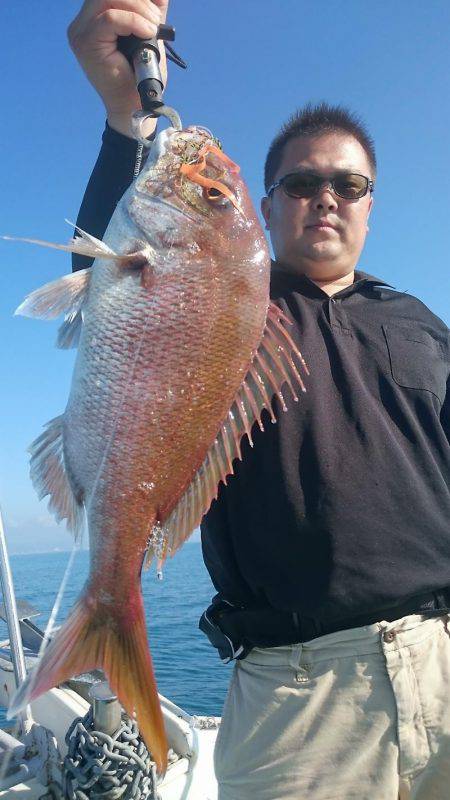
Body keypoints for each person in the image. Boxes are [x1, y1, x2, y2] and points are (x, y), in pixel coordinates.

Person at [68, 2, 450, 798]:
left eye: (349, 184)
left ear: (371, 203)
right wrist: (124, 118)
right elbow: (112, 266)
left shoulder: (421, 323)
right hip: (300, 695)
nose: (327, 198)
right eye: (302, 183)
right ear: (268, 209)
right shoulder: (235, 301)